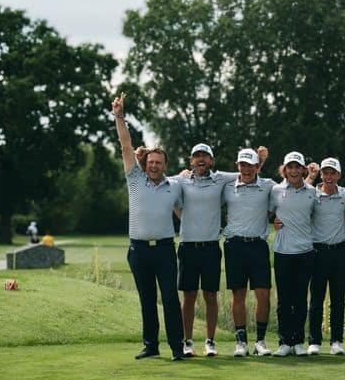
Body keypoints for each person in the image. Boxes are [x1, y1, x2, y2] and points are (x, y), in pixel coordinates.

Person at [173, 143, 268, 358]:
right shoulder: (181, 180)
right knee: (188, 297)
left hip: (211, 247)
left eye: (205, 156)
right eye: (196, 156)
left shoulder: (221, 178)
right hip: (188, 246)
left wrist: (260, 159)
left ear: (212, 161)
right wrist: (185, 218)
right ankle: (187, 341)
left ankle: (210, 341)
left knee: (210, 296)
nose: (200, 160)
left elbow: (248, 172)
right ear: (190, 161)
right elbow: (170, 197)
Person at [112, 92, 186, 361]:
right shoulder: (134, 178)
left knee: (169, 299)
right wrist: (119, 116)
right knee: (147, 300)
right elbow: (125, 144)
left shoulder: (175, 185)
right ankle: (151, 346)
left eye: (159, 162)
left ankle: (178, 348)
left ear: (166, 165)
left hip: (165, 250)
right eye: (151, 162)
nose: (154, 166)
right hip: (139, 251)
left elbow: (182, 212)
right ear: (145, 164)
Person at [222, 148, 276, 357]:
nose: (245, 169)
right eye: (242, 165)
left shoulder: (268, 185)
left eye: (249, 165)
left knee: (263, 295)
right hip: (235, 246)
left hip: (258, 246)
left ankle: (260, 342)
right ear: (238, 166)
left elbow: (289, 190)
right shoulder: (227, 186)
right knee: (238, 296)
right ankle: (241, 342)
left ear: (257, 167)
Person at [268, 152, 317, 356]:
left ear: (303, 169)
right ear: (285, 169)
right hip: (282, 252)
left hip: (305, 251)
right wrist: (273, 222)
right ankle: (284, 342)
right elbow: (269, 213)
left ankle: (298, 341)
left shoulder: (312, 192)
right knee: (284, 300)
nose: (294, 171)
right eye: (290, 167)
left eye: (298, 167)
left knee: (300, 299)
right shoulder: (276, 190)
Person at [307, 157, 345, 355]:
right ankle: (314, 341)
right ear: (321, 175)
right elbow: (294, 193)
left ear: (339, 175)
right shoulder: (312, 194)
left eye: (333, 173)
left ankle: (336, 341)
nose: (329, 177)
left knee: (338, 298)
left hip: (340, 251)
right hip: (317, 252)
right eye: (325, 173)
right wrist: (310, 176)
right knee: (316, 298)